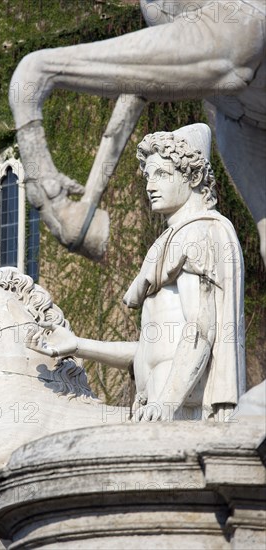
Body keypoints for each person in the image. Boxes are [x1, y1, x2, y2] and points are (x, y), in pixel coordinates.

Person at [27, 123, 246, 421]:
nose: (150, 186)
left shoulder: (198, 234)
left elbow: (200, 330)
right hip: (162, 407)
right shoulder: (171, 242)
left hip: (183, 409)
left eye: (162, 174)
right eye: (147, 175)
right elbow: (149, 351)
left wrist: (165, 405)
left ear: (193, 176)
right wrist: (78, 345)